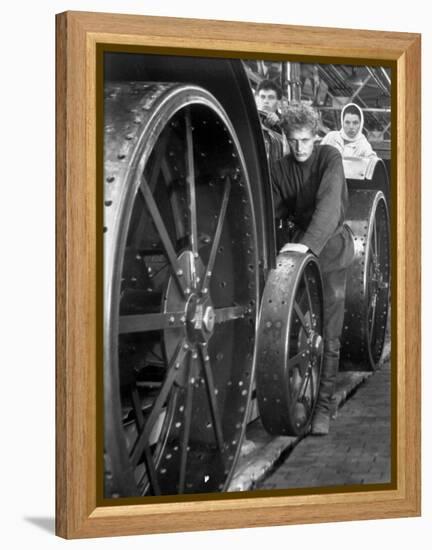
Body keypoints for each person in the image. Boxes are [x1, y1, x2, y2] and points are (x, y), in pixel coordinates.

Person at [270, 103, 354, 435]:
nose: (300, 148)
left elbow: (330, 207)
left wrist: (304, 247)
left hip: (330, 250)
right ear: (287, 138)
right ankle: (299, 396)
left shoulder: (329, 157)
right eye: (294, 141)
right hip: (299, 254)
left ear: (316, 136)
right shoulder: (279, 168)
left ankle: (323, 407)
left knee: (329, 335)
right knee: (298, 330)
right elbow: (270, 210)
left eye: (306, 140)